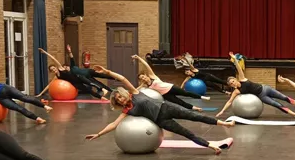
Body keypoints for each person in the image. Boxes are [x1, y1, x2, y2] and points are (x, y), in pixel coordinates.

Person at [85, 65, 235, 155]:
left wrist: (107, 72)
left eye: (120, 97)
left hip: (166, 108)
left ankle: (223, 123)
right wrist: (98, 134)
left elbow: (123, 79)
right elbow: (113, 124)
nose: (121, 100)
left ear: (124, 94)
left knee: (194, 116)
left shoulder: (135, 93)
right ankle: (211, 146)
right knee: (186, 133)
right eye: (118, 101)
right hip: (161, 120)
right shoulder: (127, 111)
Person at [218, 52, 295, 119]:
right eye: (231, 84)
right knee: (277, 105)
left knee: (284, 97)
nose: (233, 83)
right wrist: (222, 111)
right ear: (231, 85)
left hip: (265, 89)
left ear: (235, 79)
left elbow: (238, 68)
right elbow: (229, 102)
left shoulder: (242, 78)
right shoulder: (236, 91)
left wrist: (234, 59)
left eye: (233, 81)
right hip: (261, 96)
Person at [133, 55, 210, 110]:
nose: (143, 78)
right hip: (165, 95)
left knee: (186, 93)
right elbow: (135, 90)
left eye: (143, 76)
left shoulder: (152, 76)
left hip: (170, 87)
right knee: (179, 102)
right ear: (141, 80)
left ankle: (202, 97)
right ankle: (195, 108)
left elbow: (146, 65)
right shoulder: (146, 86)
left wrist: (139, 58)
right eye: (141, 78)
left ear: (146, 75)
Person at [38, 48, 109, 100]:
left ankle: (103, 89)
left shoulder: (61, 68)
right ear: (51, 71)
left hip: (78, 77)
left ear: (55, 67)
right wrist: (40, 94)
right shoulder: (56, 76)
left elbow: (53, 59)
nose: (54, 70)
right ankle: (101, 97)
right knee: (88, 91)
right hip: (75, 84)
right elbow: (49, 85)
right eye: (52, 70)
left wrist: (44, 52)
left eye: (53, 68)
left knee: (91, 83)